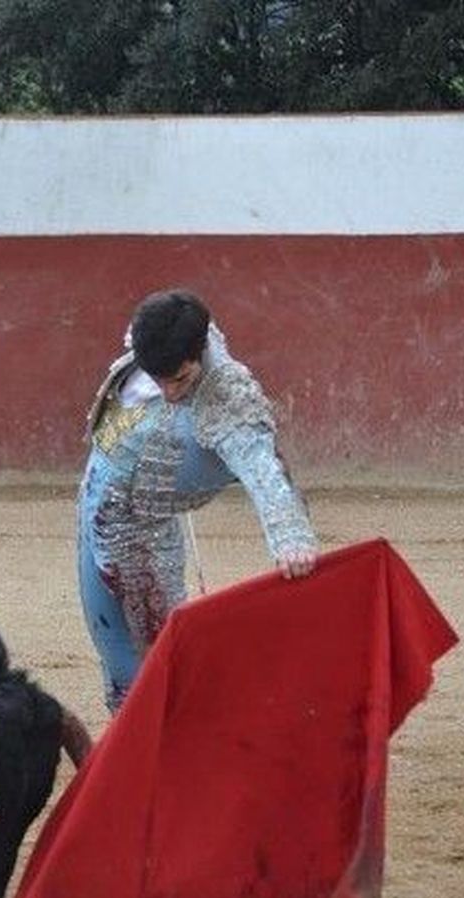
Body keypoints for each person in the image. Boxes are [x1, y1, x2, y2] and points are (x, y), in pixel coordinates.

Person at [77, 288, 319, 713]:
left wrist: (291, 540)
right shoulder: (158, 334)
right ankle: (137, 741)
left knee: (156, 660)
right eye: (159, 380)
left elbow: (264, 469)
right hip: (93, 497)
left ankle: (172, 745)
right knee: (111, 645)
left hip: (138, 535)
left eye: (181, 380)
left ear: (199, 354)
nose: (170, 393)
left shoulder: (228, 396)